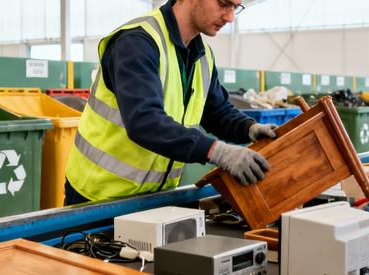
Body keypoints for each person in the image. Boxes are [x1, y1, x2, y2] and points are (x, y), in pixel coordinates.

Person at [63, 0, 276, 205]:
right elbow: (145, 122)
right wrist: (218, 152)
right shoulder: (136, 42)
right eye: (223, 3)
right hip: (98, 197)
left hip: (155, 196)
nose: (230, 18)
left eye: (235, 7)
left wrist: (251, 129)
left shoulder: (202, 55)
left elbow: (217, 111)